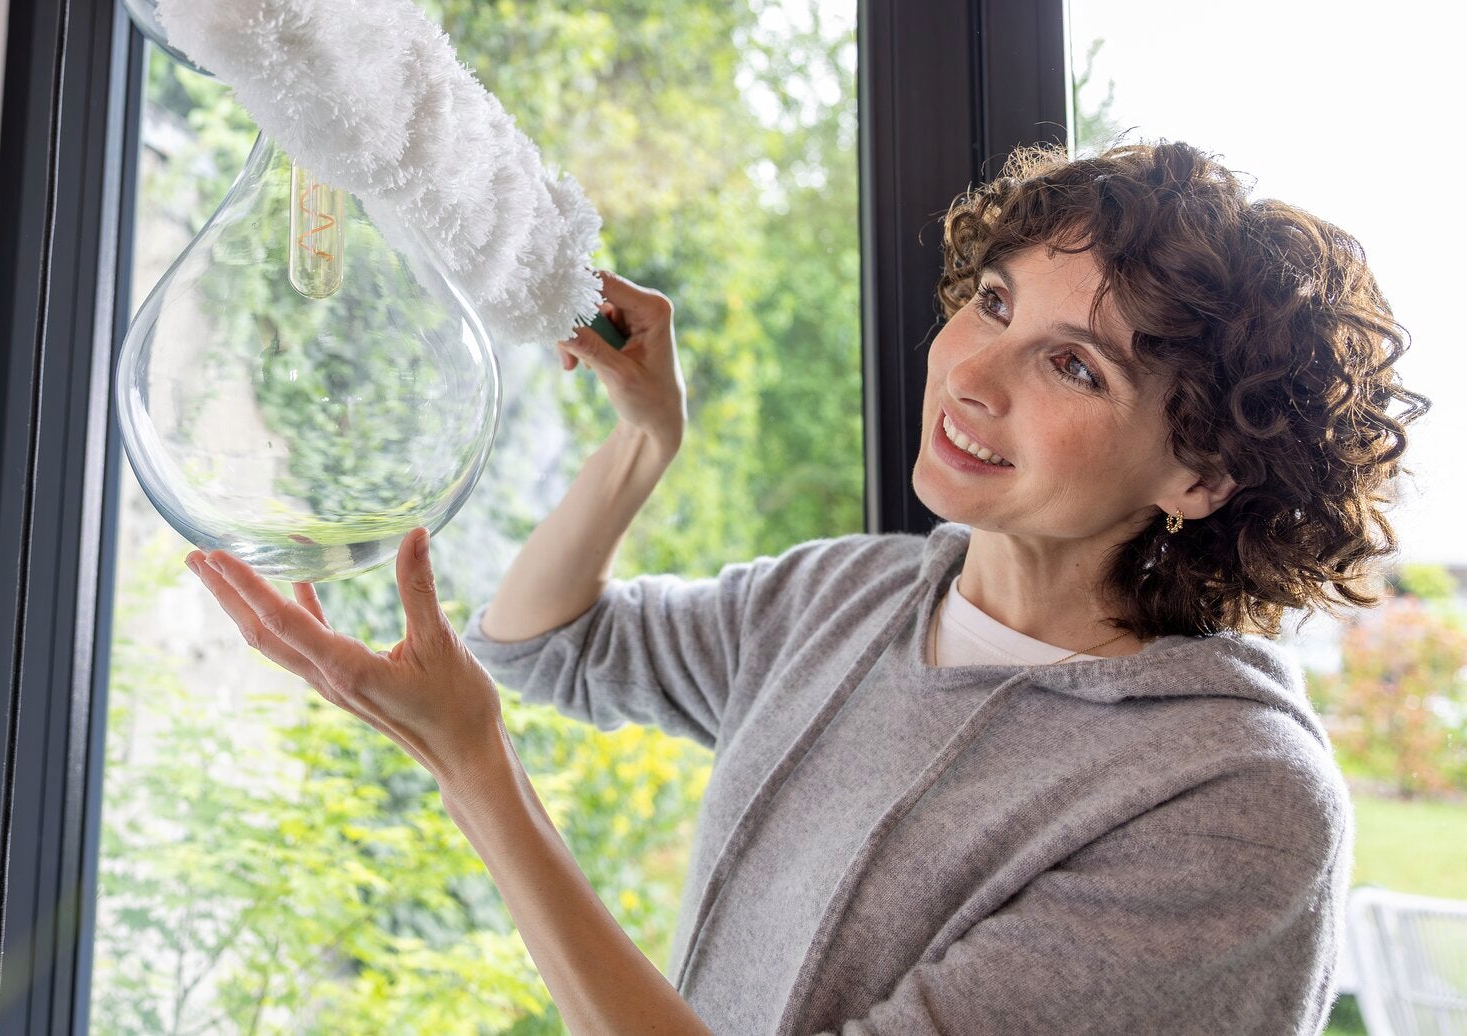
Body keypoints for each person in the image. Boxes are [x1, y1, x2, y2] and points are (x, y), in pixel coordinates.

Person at [184, 139, 1427, 1036]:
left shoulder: (1227, 799)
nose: (971, 375)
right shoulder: (852, 598)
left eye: (1071, 364)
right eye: (990, 303)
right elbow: (541, 644)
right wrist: (642, 441)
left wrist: (472, 770)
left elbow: (497, 700)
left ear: (1203, 472)